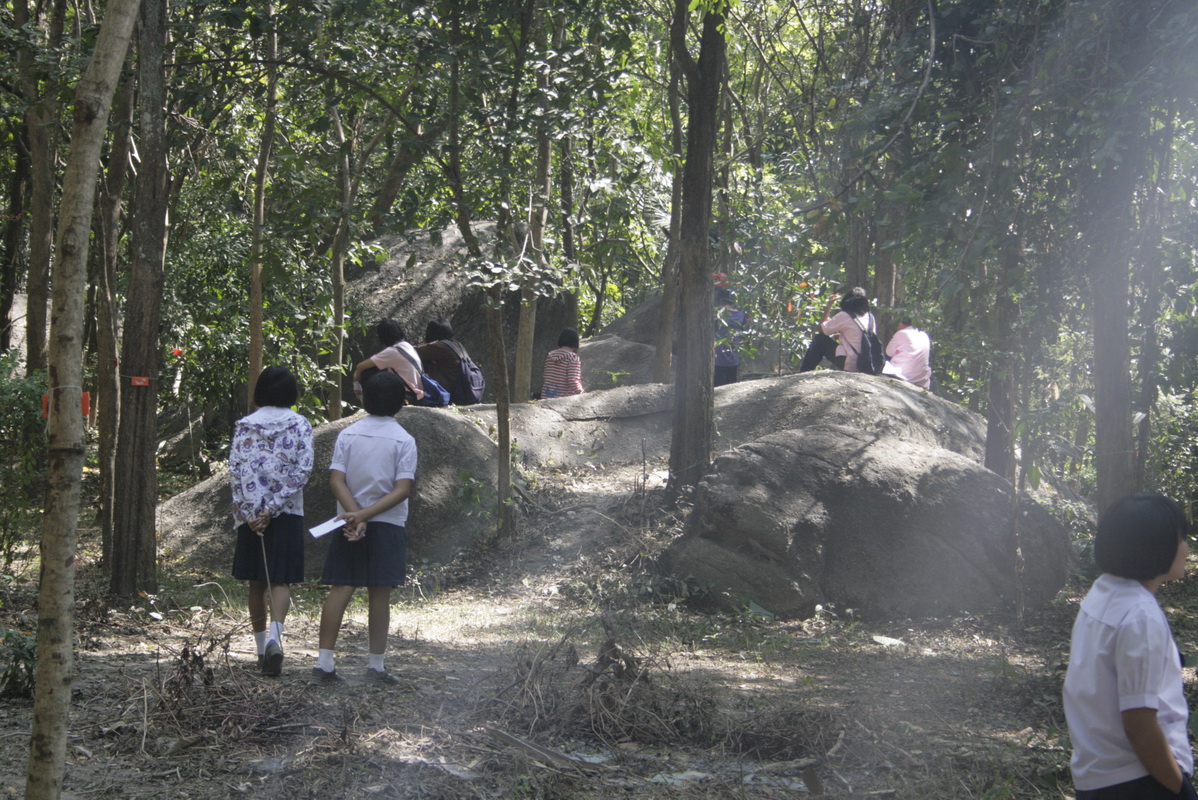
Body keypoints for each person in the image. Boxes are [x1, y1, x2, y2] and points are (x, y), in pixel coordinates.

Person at [1063, 493, 1196, 799]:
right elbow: (1140, 725)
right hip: (1140, 779)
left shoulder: (1102, 594)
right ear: (1156, 548)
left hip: (1097, 777)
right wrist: (1179, 788)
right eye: (1181, 539)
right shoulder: (1139, 616)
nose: (1187, 548)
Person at [314, 371, 417, 686]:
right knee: (380, 593)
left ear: (364, 399)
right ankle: (376, 666)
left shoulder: (348, 434)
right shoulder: (404, 439)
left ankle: (324, 664)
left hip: (347, 522)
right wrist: (366, 516)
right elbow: (402, 489)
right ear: (401, 402)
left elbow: (337, 480)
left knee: (341, 587)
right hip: (388, 522)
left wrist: (355, 515)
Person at [230, 366, 314, 677]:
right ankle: (275, 641)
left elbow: (236, 470)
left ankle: (259, 649)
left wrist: (251, 514)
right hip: (287, 513)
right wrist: (275, 507)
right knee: (281, 581)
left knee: (257, 583)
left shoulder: (244, 426)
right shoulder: (300, 424)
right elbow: (303, 470)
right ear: (291, 393)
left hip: (251, 517)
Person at [798, 287, 875, 373]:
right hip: (867, 362)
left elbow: (823, 330)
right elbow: (861, 338)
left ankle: (804, 371)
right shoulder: (870, 317)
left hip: (851, 363)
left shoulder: (845, 315)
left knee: (819, 339)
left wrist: (829, 306)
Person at [352, 319, 423, 403]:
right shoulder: (406, 345)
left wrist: (356, 383)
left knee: (367, 372)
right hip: (418, 392)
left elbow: (360, 367)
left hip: (408, 395)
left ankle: (369, 404)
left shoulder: (392, 352)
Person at [415, 318, 466, 400]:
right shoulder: (456, 344)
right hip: (461, 387)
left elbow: (413, 352)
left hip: (449, 388)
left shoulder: (440, 347)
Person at [882, 320, 932, 389]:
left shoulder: (901, 333)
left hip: (904, 375)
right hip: (922, 379)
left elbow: (889, 352)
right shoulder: (924, 335)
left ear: (902, 323)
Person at [714, 288, 748, 387]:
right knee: (731, 386)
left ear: (720, 299)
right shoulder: (740, 315)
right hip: (733, 356)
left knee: (718, 387)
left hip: (718, 357)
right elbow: (744, 332)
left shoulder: (717, 314)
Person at [538, 328, 584, 399]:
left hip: (546, 397)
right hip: (563, 399)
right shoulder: (573, 357)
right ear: (575, 341)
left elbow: (546, 375)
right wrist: (582, 393)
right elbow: (573, 380)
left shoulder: (550, 355)